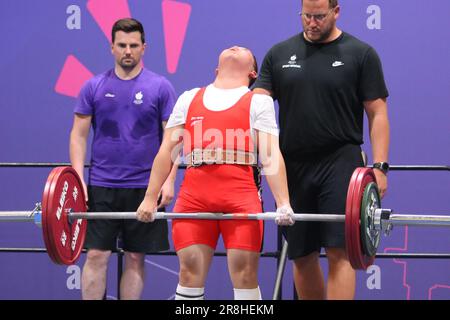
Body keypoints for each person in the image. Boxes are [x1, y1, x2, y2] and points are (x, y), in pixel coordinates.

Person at [254, 0, 390, 300]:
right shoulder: (278, 54)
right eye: (306, 16)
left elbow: (377, 113)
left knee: (340, 250)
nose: (311, 23)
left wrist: (380, 167)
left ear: (336, 12)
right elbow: (256, 106)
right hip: (293, 163)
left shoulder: (361, 53)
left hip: (341, 161)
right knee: (301, 253)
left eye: (319, 16)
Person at [136, 46, 295, 300]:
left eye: (244, 49)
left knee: (245, 276)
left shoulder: (258, 101)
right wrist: (149, 197)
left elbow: (270, 154)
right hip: (194, 198)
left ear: (252, 72)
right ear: (216, 69)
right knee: (189, 273)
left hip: (241, 198)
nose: (235, 48)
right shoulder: (189, 98)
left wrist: (284, 203)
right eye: (231, 48)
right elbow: (168, 150)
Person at [69, 18, 177, 300]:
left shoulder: (161, 87)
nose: (127, 50)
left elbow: (173, 139)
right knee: (95, 255)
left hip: (146, 188)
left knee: (135, 257)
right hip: (102, 186)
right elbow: (78, 137)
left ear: (144, 48)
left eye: (133, 45)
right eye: (122, 45)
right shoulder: (92, 87)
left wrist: (168, 182)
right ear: (112, 48)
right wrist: (78, 178)